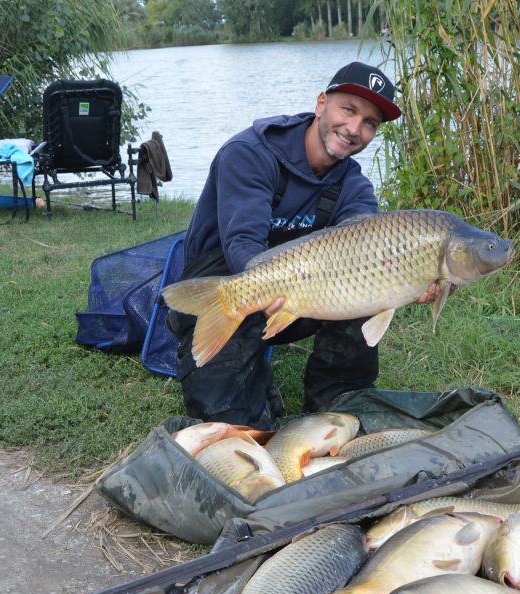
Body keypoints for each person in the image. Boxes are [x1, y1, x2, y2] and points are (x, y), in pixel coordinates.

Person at [169, 61, 434, 429]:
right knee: (232, 424)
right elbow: (241, 243)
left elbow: (371, 246)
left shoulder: (354, 187)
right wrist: (266, 288)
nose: (355, 129)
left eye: (370, 123)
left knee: (365, 284)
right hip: (228, 280)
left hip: (303, 291)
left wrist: (409, 279)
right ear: (321, 102)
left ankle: (337, 397)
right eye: (349, 109)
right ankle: (243, 374)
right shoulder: (250, 153)